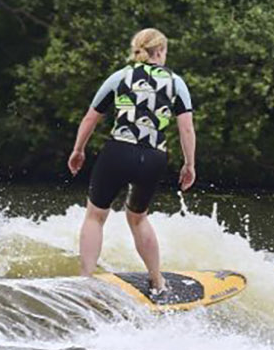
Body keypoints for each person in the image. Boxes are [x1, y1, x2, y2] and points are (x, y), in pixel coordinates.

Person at [67, 28, 197, 297]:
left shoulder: (119, 77)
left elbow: (91, 118)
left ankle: (85, 280)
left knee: (95, 215)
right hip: (152, 158)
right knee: (138, 219)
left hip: (118, 153)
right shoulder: (176, 83)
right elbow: (186, 129)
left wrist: (78, 150)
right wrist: (189, 165)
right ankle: (157, 281)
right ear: (160, 51)